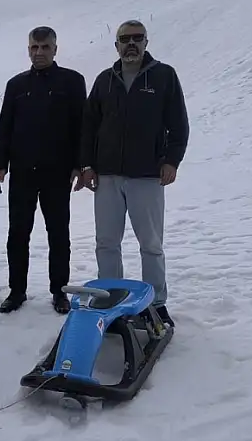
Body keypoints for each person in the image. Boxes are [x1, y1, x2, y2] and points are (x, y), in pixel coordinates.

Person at [76, 19, 188, 326]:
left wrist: (171, 161)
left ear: (146, 43)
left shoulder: (164, 76)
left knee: (150, 244)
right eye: (125, 39)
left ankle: (156, 304)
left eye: (137, 38)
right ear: (116, 45)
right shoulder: (105, 80)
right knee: (106, 242)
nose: (131, 44)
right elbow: (89, 126)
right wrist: (87, 166)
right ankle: (110, 297)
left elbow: (178, 124)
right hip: (108, 176)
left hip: (147, 175)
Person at [0, 26, 86, 314]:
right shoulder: (16, 85)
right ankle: (16, 291)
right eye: (34, 47)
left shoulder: (72, 81)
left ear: (55, 49)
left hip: (57, 171)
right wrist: (0, 164)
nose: (39, 52)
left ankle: (59, 291)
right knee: (18, 234)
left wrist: (79, 164)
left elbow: (81, 126)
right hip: (23, 171)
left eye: (45, 47)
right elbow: (5, 126)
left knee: (58, 234)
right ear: (28, 50)